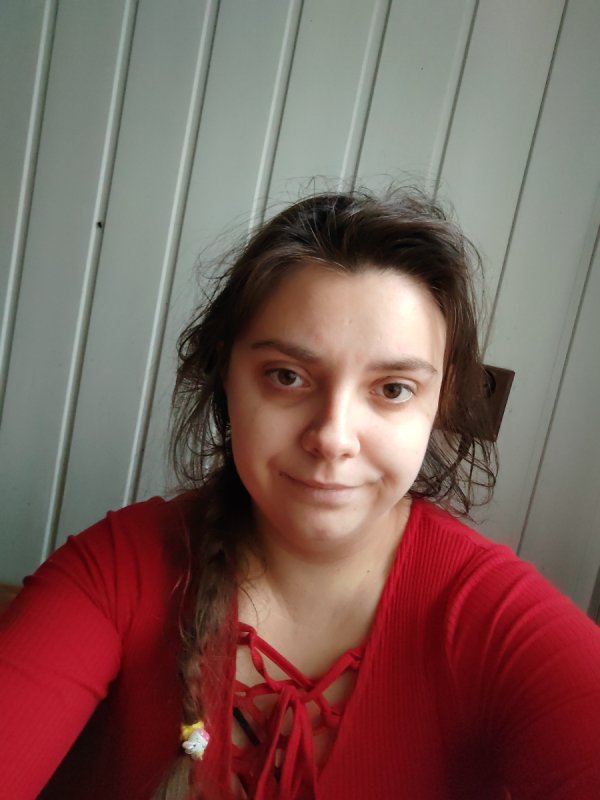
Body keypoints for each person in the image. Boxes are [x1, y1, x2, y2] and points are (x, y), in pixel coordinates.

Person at [1, 189, 599, 800]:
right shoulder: (116, 571)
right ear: (225, 376)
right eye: (287, 376)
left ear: (438, 401)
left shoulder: (496, 620)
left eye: (393, 389)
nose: (333, 437)